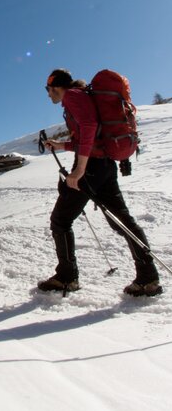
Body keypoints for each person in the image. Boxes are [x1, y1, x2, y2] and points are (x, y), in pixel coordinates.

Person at [39, 68, 162, 297]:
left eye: (48, 90)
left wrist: (79, 170)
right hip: (105, 165)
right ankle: (148, 277)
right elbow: (91, 136)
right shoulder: (82, 96)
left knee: (61, 220)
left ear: (56, 86)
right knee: (122, 221)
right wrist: (61, 145)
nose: (48, 95)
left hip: (91, 168)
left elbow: (89, 127)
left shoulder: (72, 96)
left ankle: (67, 277)